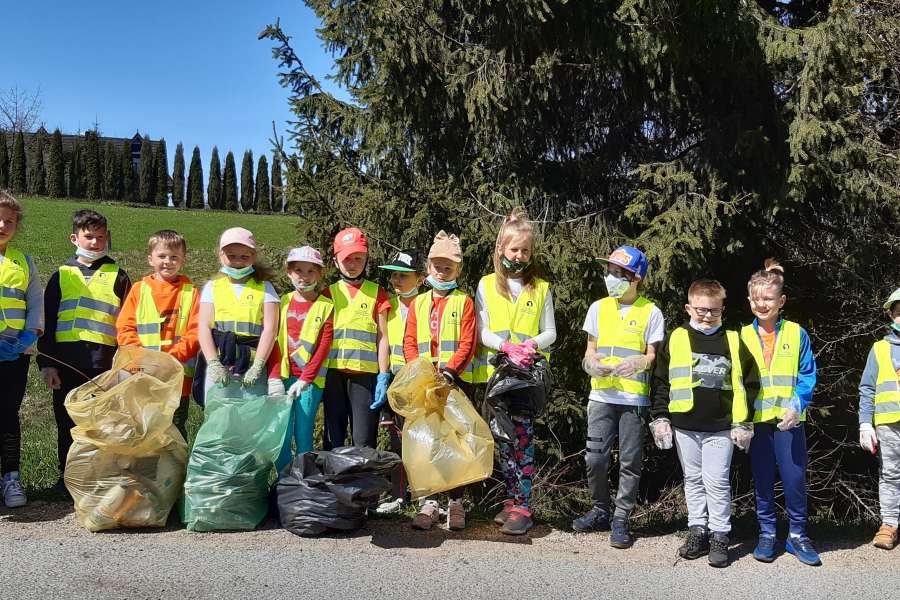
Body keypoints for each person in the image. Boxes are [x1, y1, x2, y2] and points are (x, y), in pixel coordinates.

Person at [649, 279, 759, 567]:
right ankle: (697, 530)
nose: (707, 316)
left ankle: (720, 535)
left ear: (723, 309)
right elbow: (661, 382)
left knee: (718, 481)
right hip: (684, 426)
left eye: (714, 311)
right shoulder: (676, 338)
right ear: (688, 308)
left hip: (722, 428)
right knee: (693, 480)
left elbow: (750, 384)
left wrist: (743, 422)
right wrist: (660, 417)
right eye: (701, 310)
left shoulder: (734, 340)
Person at [573, 246, 664, 549]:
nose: (610, 278)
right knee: (594, 458)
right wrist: (590, 365)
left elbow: (652, 357)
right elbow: (589, 350)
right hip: (600, 395)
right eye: (609, 271)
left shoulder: (651, 311)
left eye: (617, 273)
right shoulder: (598, 308)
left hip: (633, 401)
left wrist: (638, 363)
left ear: (635, 278)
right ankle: (600, 509)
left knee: (630, 461)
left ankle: (621, 518)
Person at [474, 210, 556, 535]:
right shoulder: (486, 285)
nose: (519, 256)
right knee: (502, 439)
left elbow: (551, 331)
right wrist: (505, 347)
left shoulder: (541, 288)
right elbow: (481, 329)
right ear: (501, 251)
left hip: (527, 377)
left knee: (523, 439)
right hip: (497, 375)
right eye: (514, 250)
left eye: (525, 250)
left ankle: (523, 504)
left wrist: (531, 345)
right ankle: (509, 500)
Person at [38, 209, 131, 495]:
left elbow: (128, 322)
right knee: (66, 423)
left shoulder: (119, 275)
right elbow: (47, 322)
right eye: (89, 237)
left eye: (101, 237)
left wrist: (125, 364)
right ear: (74, 238)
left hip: (105, 365)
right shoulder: (60, 276)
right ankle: (66, 480)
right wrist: (46, 364)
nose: (94, 243)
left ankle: (99, 480)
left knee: (103, 425)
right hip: (65, 364)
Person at [741, 259, 820, 565]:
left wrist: (798, 404)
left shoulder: (797, 333)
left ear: (781, 301)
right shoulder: (741, 337)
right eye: (757, 299)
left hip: (789, 422)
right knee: (762, 479)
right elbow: (736, 382)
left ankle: (798, 535)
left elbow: (807, 374)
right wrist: (741, 421)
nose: (763, 304)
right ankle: (767, 534)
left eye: (769, 299)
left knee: (794, 479)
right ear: (749, 301)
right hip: (758, 424)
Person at [403, 232, 477, 531]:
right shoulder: (418, 303)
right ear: (428, 268)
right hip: (425, 383)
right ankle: (430, 501)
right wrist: (419, 371)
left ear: (457, 271)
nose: (441, 272)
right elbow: (409, 340)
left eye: (448, 268)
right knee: (428, 440)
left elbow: (468, 342)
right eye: (436, 266)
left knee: (456, 442)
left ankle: (456, 502)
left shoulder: (464, 302)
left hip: (453, 383)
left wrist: (449, 372)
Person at [116, 230, 200, 440]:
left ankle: (173, 472)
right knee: (142, 429)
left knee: (175, 430)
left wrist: (171, 358)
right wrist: (146, 359)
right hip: (142, 375)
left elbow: (196, 331)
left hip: (177, 378)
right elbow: (125, 328)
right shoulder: (139, 289)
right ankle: (143, 472)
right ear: (150, 259)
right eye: (162, 256)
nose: (168, 262)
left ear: (183, 260)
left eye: (174, 257)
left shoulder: (191, 292)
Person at [321, 228, 391, 449]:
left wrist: (383, 374)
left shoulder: (377, 293)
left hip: (365, 377)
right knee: (333, 438)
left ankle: (364, 483)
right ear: (335, 261)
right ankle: (333, 482)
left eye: (358, 258)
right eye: (347, 259)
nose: (353, 264)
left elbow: (382, 337)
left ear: (367, 258)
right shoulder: (328, 293)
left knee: (363, 440)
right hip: (334, 375)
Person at [195, 227, 282, 402]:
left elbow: (270, 330)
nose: (238, 261)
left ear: (253, 256)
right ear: (221, 255)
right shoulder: (213, 287)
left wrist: (258, 365)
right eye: (231, 256)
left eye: (244, 256)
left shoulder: (265, 288)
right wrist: (213, 363)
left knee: (250, 420)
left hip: (252, 365)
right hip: (220, 363)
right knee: (219, 420)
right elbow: (204, 327)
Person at [375, 248, 426, 514]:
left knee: (421, 439)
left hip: (421, 381)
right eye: (394, 275)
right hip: (395, 380)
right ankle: (398, 495)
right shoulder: (388, 306)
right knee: (396, 439)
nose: (396, 281)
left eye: (404, 276)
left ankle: (425, 496)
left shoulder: (428, 304)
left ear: (420, 278)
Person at [0, 191, 43, 508]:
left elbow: (35, 304)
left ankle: (11, 478)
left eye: (10, 221)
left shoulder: (24, 262)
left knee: (7, 415)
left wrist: (27, 338)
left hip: (14, 354)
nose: (3, 224)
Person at [274, 246, 333, 472]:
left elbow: (323, 347)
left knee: (303, 433)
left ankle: (304, 481)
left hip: (309, 381)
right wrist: (275, 376)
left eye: (310, 271)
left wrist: (306, 378)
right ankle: (283, 480)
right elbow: (274, 340)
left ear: (319, 275)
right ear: (289, 272)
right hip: (283, 376)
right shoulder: (282, 302)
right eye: (298, 270)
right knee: (282, 433)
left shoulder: (325, 306)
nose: (304, 277)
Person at [859, 286, 900, 550]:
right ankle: (890, 523)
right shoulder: (879, 349)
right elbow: (867, 388)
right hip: (888, 423)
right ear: (891, 315)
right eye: (899, 312)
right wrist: (865, 424)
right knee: (891, 474)